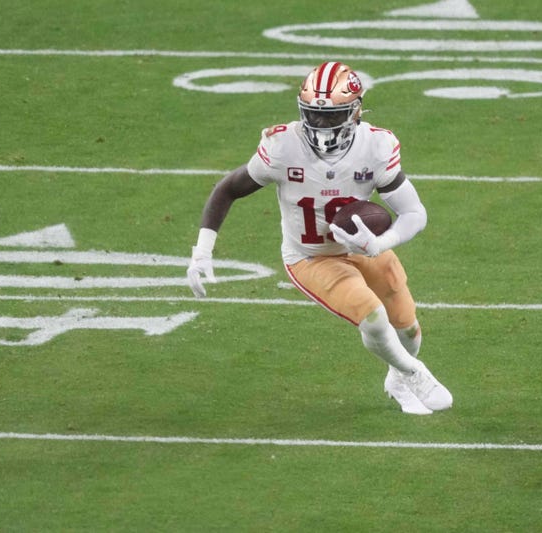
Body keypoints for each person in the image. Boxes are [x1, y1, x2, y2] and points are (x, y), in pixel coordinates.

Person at [186, 61, 452, 415]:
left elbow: (415, 213)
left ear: (355, 111)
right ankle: (414, 373)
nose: (321, 125)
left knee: (407, 327)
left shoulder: (375, 146)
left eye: (332, 116)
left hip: (362, 248)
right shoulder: (283, 146)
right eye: (313, 115)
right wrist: (202, 250)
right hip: (310, 256)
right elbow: (228, 188)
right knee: (371, 315)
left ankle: (397, 378)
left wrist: (380, 244)